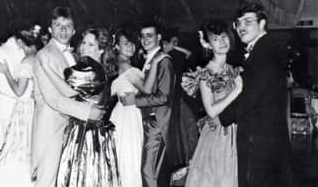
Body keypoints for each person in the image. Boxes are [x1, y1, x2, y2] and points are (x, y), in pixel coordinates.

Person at [219, 2, 292, 187]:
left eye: (248, 22)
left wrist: (222, 115)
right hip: (267, 136)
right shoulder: (265, 48)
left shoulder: (264, 51)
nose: (241, 27)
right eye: (238, 23)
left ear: (262, 24)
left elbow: (252, 96)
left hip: (257, 138)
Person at [32, 7, 104, 187]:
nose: (63, 30)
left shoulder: (73, 56)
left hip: (71, 131)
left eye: (68, 25)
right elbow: (53, 98)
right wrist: (88, 111)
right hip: (51, 130)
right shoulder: (45, 55)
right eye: (58, 25)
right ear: (50, 29)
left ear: (74, 30)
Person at [182, 18, 242, 187]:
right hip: (218, 136)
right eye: (215, 39)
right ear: (208, 45)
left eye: (224, 37)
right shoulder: (205, 74)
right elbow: (211, 111)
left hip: (237, 132)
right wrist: (237, 90)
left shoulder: (233, 69)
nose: (222, 42)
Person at [109, 29, 167, 187]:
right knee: (130, 158)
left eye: (132, 43)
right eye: (125, 43)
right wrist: (155, 63)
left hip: (129, 112)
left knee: (130, 157)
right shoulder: (125, 65)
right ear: (116, 47)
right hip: (127, 115)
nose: (130, 46)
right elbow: (147, 89)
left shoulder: (126, 65)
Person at [121, 21, 175, 187]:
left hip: (156, 123)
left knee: (149, 171)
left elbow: (163, 97)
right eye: (143, 36)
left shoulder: (164, 61)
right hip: (147, 122)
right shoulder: (149, 60)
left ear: (159, 37)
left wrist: (134, 101)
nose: (145, 40)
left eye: (149, 35)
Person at [0, 21, 42, 187]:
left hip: (24, 108)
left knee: (18, 145)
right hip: (34, 107)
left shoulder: (27, 61)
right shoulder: (40, 58)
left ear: (21, 43)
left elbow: (19, 91)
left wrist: (6, 72)